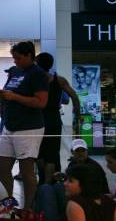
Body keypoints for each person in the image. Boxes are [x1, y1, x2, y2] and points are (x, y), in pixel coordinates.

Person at [0, 41, 48, 209]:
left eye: (18, 58)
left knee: (27, 172)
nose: (15, 61)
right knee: (3, 167)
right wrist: (3, 96)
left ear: (29, 55)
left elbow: (41, 102)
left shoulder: (37, 74)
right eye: (13, 58)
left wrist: (14, 97)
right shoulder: (15, 72)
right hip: (10, 125)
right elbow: (11, 93)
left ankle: (28, 208)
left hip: (28, 127)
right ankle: (8, 204)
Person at [35, 53, 81, 184]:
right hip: (54, 118)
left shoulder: (35, 80)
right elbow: (74, 96)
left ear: (37, 64)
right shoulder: (59, 80)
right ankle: (49, 183)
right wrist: (77, 114)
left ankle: (43, 180)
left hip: (38, 118)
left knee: (39, 152)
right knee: (52, 153)